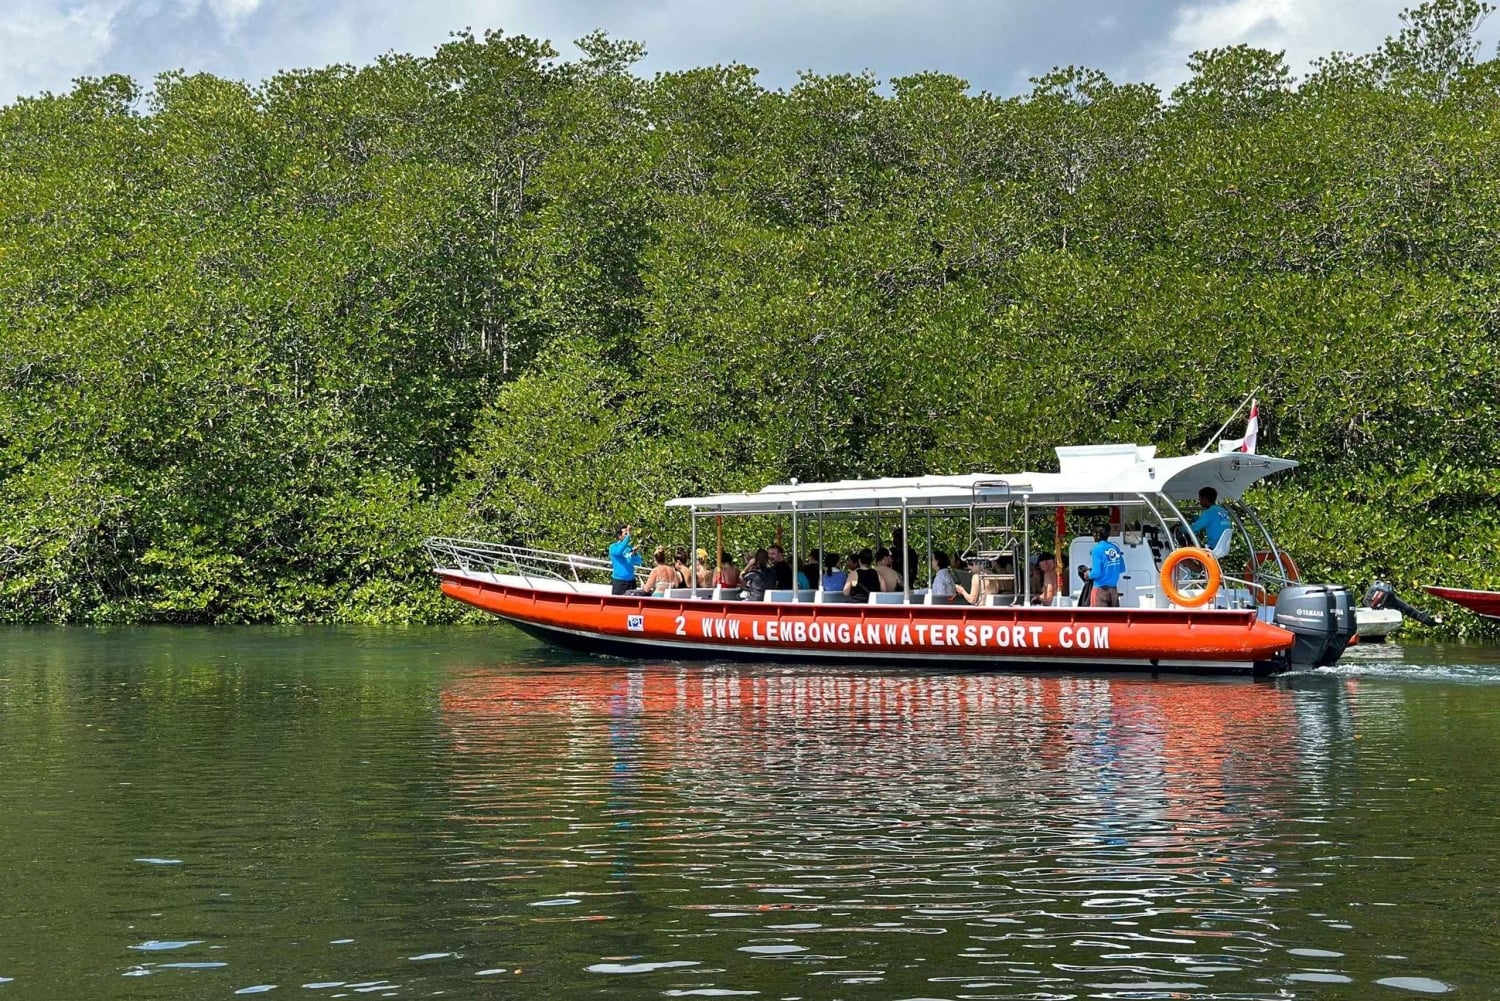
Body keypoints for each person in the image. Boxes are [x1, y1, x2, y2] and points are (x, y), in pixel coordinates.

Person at [1083, 524, 1125, 607]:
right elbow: (1122, 568)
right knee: (1114, 618)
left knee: (1099, 618)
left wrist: (1088, 574)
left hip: (1100, 589)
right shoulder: (1115, 548)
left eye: (1094, 533)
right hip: (1113, 589)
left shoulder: (1096, 549)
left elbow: (1096, 573)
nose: (1093, 535)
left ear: (1098, 534)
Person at [1191, 486, 1233, 551]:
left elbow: (1194, 528)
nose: (1199, 500)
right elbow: (1214, 522)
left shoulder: (1209, 512)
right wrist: (1196, 518)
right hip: (1222, 547)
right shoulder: (1222, 511)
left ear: (1205, 499)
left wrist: (1180, 529)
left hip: (1212, 547)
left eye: (1200, 498)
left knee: (1186, 550)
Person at [608, 523, 643, 595]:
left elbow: (639, 561)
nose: (627, 535)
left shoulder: (629, 547)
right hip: (619, 581)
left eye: (628, 533)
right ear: (619, 536)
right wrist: (628, 536)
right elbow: (618, 552)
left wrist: (634, 554)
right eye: (625, 533)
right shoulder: (613, 547)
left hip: (631, 581)